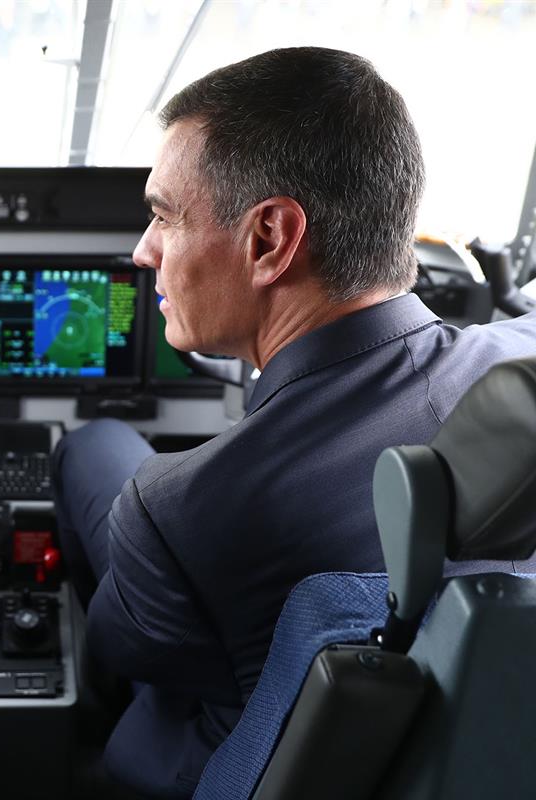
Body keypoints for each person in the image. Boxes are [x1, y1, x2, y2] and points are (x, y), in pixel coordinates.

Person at [52, 46, 536, 797]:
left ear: (270, 240)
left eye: (162, 215)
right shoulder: (522, 362)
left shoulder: (178, 507)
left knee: (94, 447)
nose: (143, 252)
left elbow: (131, 649)